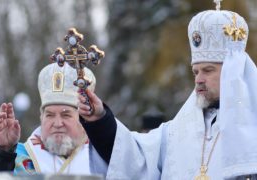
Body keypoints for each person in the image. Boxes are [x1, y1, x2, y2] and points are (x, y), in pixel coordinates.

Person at [78, 1, 257, 179]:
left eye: (208, 70)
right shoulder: (175, 133)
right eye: (195, 72)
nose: (199, 79)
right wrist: (99, 119)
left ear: (233, 72)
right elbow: (133, 157)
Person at [0, 63, 106, 175]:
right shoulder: (18, 156)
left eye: (66, 115)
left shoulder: (102, 156)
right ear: (41, 118)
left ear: (83, 119)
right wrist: (3, 151)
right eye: (50, 115)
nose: (57, 123)